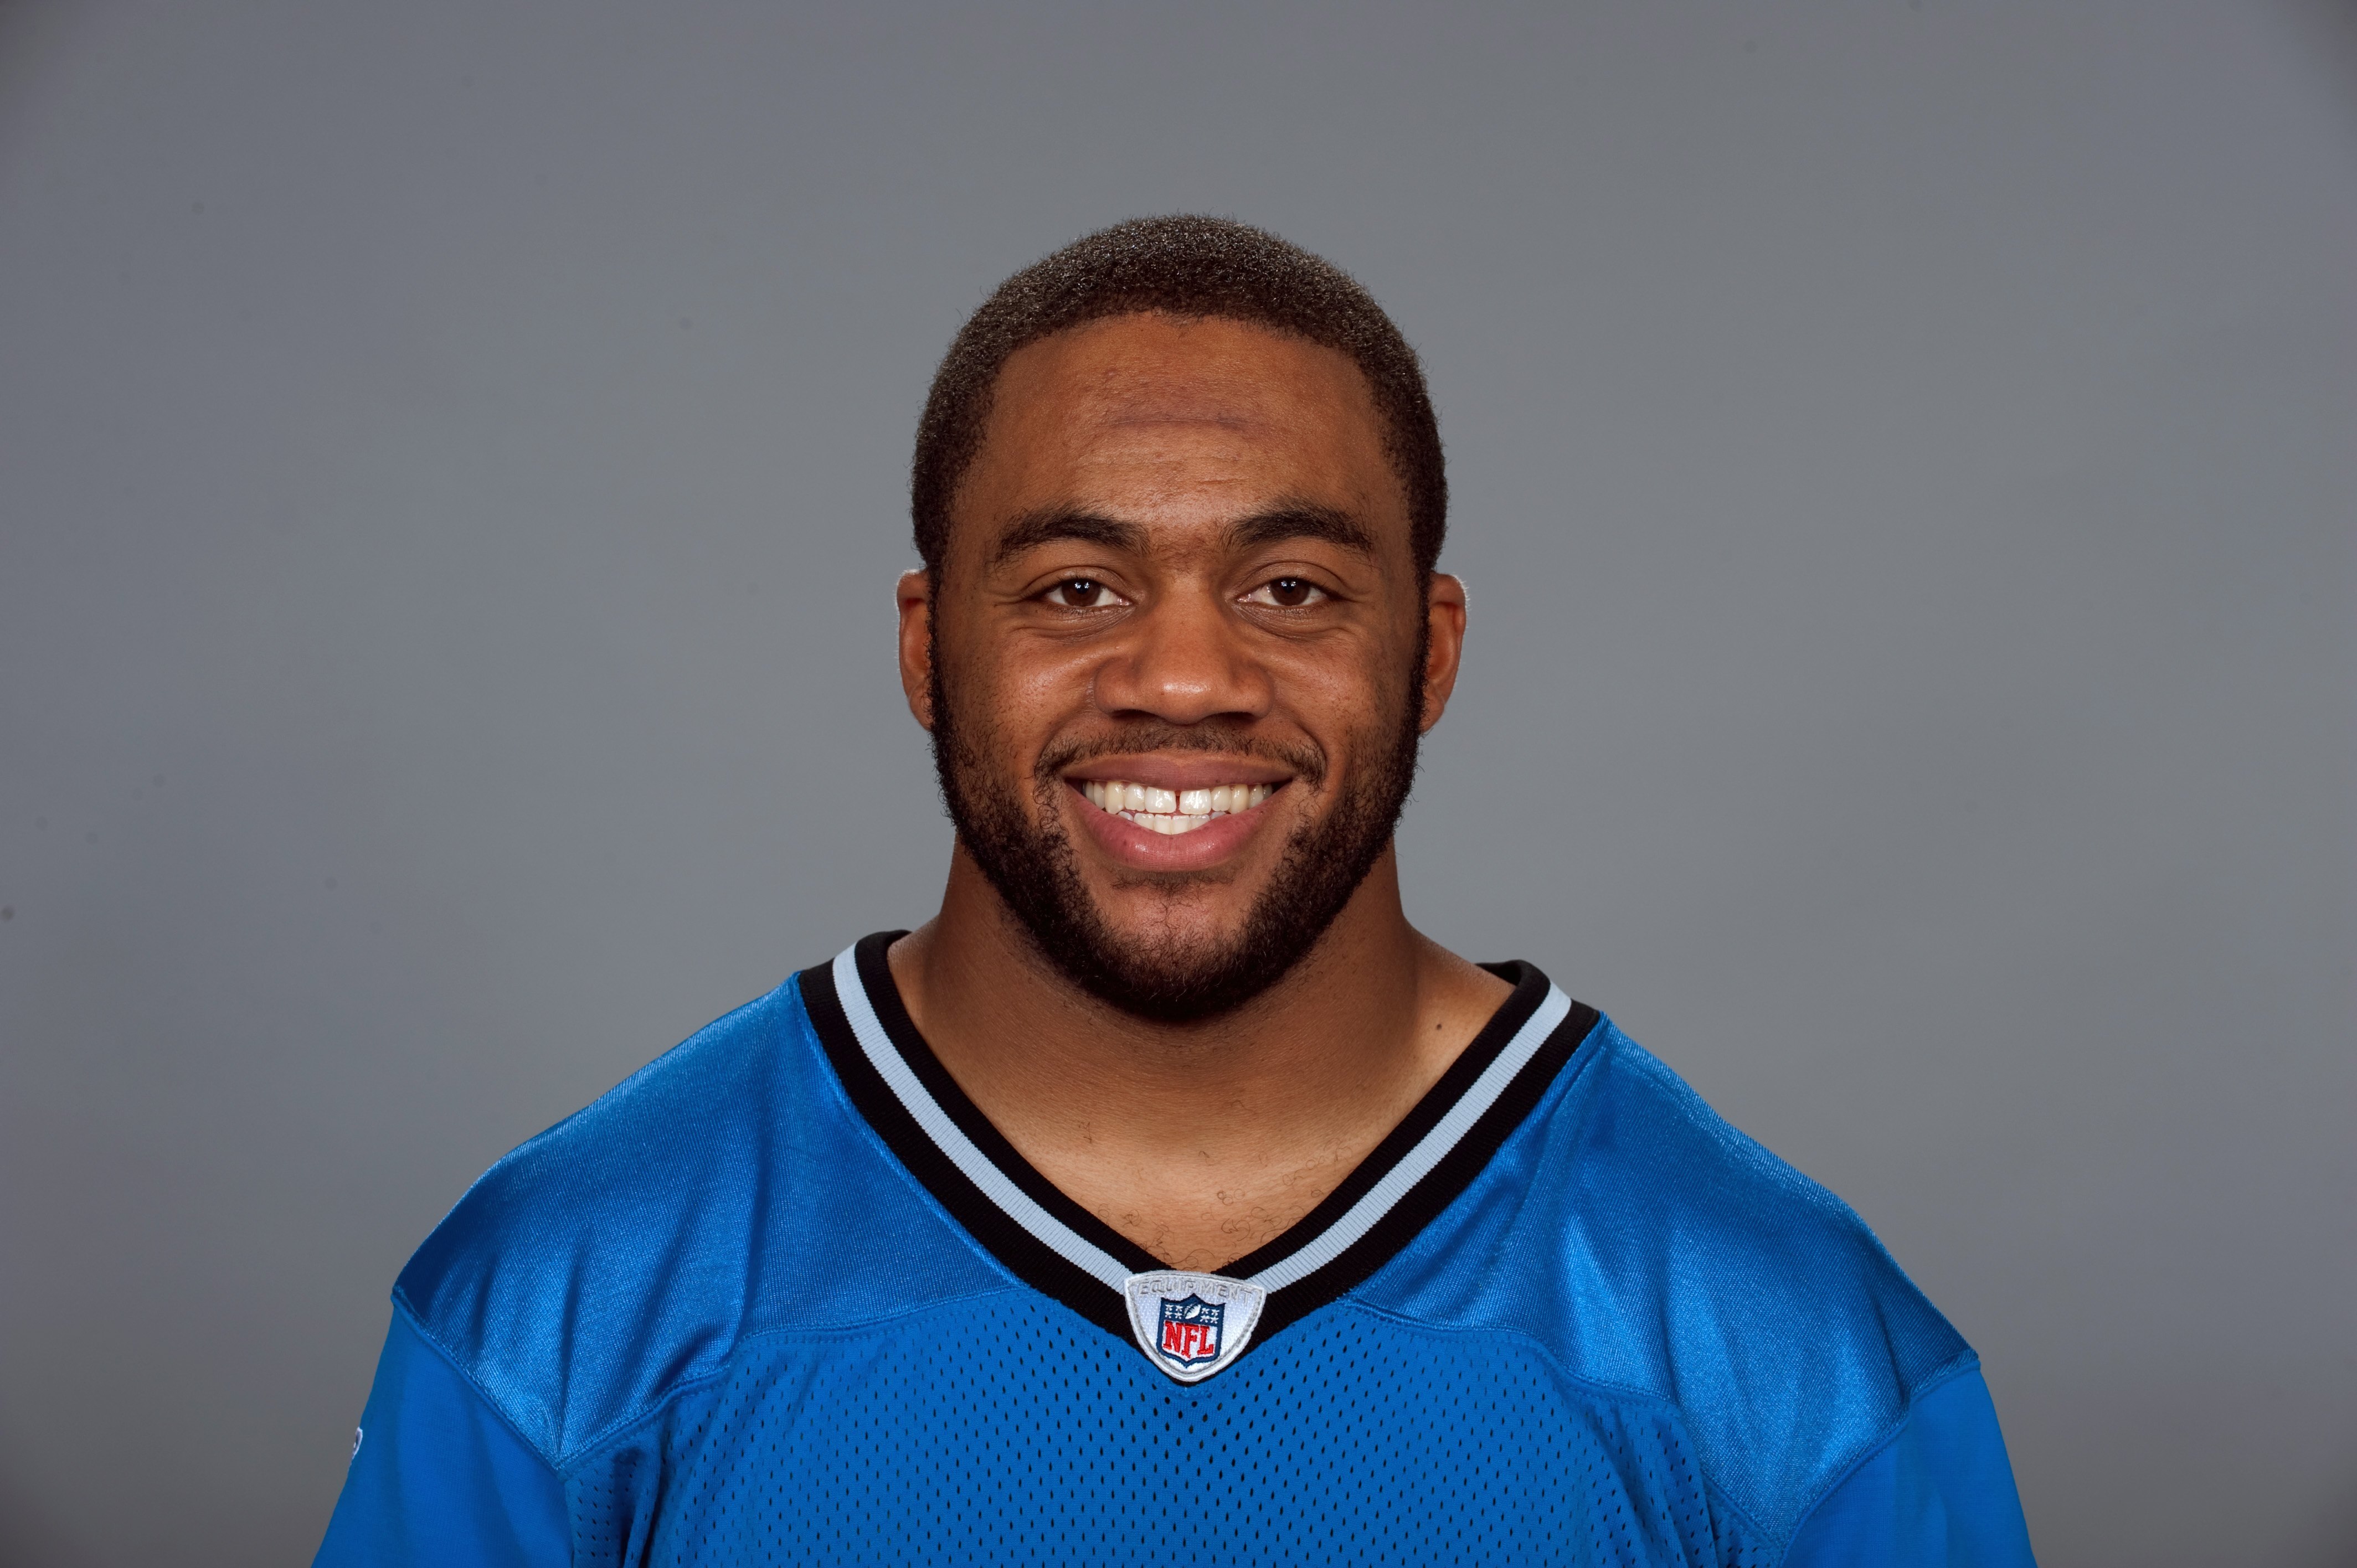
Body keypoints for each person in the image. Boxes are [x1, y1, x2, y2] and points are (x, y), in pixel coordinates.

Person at [315, 215, 2038, 1566]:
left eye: (1291, 587)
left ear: (1429, 652)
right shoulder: (559, 1300)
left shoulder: (1791, 1347)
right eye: (1074, 587)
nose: (1188, 677)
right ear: (930, 650)